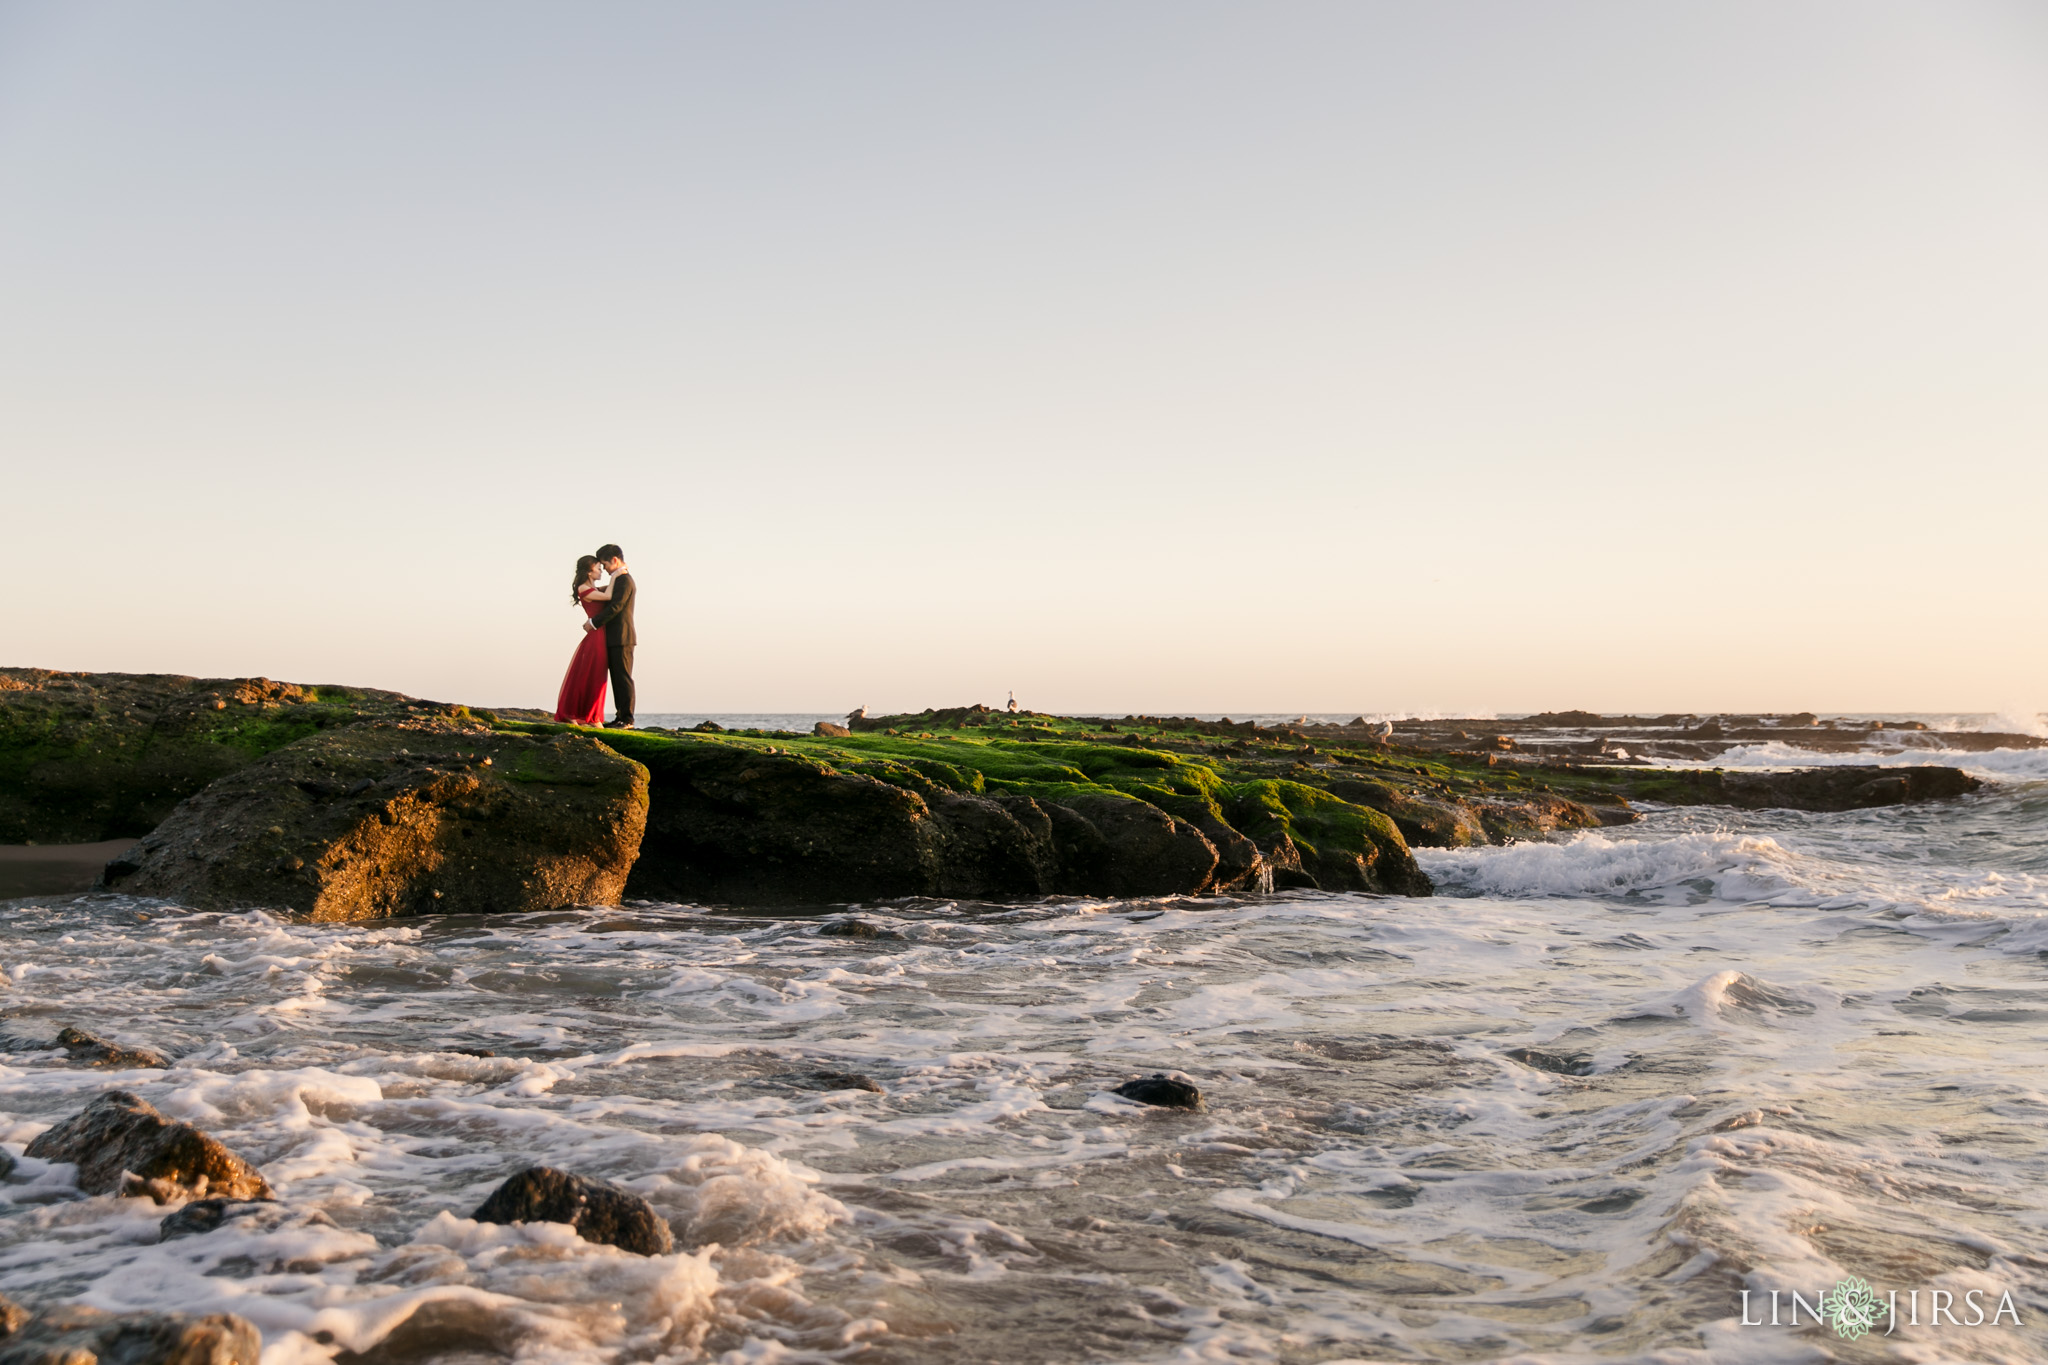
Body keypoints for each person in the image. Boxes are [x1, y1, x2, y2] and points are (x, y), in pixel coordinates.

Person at [553, 555, 612, 724]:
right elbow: (609, 596)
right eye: (598, 568)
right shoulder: (583, 588)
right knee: (590, 675)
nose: (601, 571)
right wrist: (617, 575)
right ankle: (585, 715)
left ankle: (591, 715)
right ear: (589, 571)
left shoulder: (594, 588)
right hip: (596, 637)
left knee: (595, 675)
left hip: (600, 635)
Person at [583, 543, 636, 728]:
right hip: (614, 637)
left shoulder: (624, 580)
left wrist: (593, 623)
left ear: (614, 560)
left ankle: (627, 719)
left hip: (622, 637)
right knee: (616, 678)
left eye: (604, 565)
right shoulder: (618, 579)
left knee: (623, 677)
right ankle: (620, 716)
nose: (604, 569)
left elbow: (616, 607)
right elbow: (605, 593)